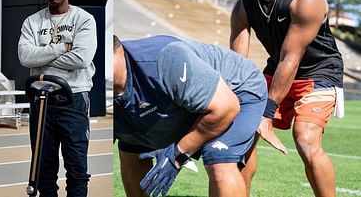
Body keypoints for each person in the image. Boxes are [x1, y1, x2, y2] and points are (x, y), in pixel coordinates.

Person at [230, 0, 344, 197]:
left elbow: (291, 58)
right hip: (277, 67)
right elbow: (237, 62)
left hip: (318, 72)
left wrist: (267, 112)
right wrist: (236, 102)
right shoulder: (244, 3)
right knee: (242, 137)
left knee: (305, 139)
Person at [114, 34, 279, 197]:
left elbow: (225, 108)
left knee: (219, 159)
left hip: (235, 91)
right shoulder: (95, 86)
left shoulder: (164, 60)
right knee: (132, 148)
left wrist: (177, 154)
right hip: (181, 104)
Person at [18, 0, 97, 197]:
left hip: (73, 98)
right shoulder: (32, 22)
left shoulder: (83, 19)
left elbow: (82, 58)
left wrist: (42, 56)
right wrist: (62, 47)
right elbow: (25, 57)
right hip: (42, 101)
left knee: (76, 168)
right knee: (43, 168)